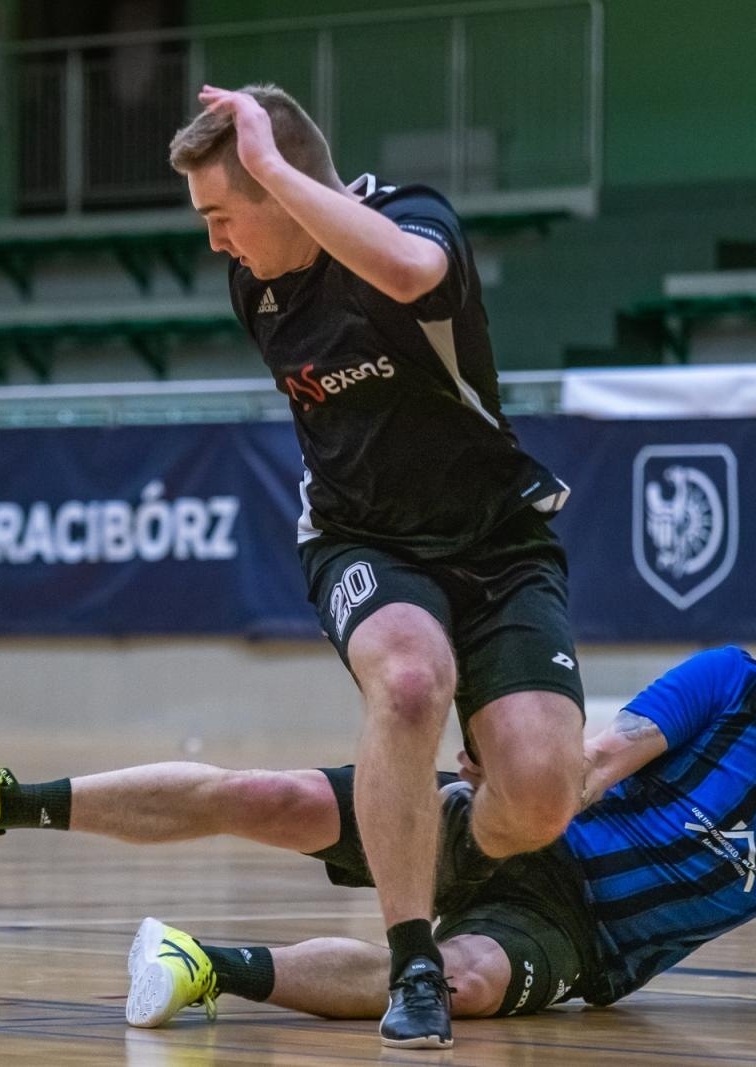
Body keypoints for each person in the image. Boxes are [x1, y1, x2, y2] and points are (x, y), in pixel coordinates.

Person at [0, 573, 756, 1033]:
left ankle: (202, 966)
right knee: (270, 794)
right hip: (518, 819)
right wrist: (512, 791)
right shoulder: (727, 676)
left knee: (466, 980)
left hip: (578, 934)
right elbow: (604, 755)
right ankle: (0, 800)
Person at [111, 82, 583, 1047]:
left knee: (539, 796)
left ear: (283, 192)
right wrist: (264, 198)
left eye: (222, 215)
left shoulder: (412, 219)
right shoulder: (257, 280)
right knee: (410, 683)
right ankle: (414, 958)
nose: (215, 243)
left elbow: (412, 275)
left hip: (499, 541)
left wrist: (278, 172)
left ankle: (433, 823)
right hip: (362, 539)